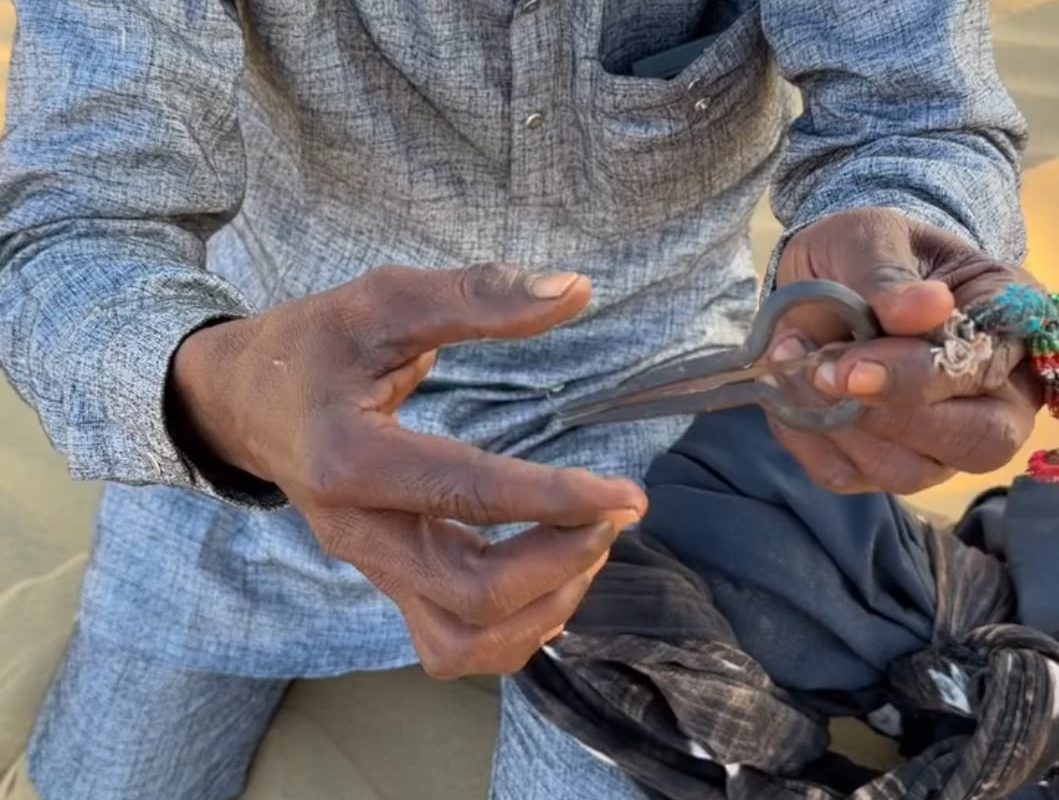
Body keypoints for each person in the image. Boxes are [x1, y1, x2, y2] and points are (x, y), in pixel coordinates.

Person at [0, 1, 1042, 798]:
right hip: (255, 426)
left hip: (638, 430)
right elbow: (69, 220)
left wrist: (909, 258)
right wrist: (209, 391)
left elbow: (916, 111)